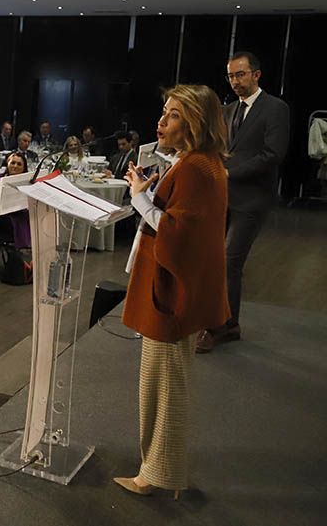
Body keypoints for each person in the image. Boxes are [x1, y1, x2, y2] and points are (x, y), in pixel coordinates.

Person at [114, 84, 232, 499]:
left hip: (172, 292)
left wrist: (139, 199)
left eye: (174, 115)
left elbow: (178, 233)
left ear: (195, 122)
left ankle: (158, 474)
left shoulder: (197, 167)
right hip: (173, 288)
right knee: (162, 382)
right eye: (163, 112)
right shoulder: (199, 162)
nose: (161, 122)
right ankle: (161, 469)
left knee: (164, 385)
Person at [197, 51, 290, 353]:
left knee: (229, 262)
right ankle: (218, 317)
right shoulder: (226, 110)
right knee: (215, 260)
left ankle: (225, 326)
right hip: (222, 197)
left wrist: (228, 172)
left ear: (256, 75)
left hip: (253, 199)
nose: (235, 81)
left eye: (240, 74)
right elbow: (219, 148)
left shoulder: (276, 108)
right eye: (231, 76)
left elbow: (272, 154)